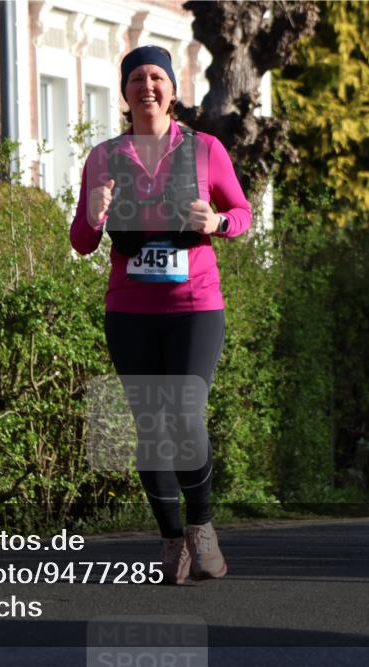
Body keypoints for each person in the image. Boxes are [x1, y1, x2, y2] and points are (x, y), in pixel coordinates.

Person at [70, 45, 251, 585]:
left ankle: (202, 528)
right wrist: (95, 216)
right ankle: (171, 541)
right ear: (124, 92)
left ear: (173, 89)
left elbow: (242, 215)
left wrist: (216, 223)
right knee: (150, 426)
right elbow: (81, 242)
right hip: (130, 308)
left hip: (195, 304)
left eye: (157, 78)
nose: (147, 86)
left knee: (184, 416)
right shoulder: (103, 157)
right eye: (137, 79)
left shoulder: (205, 150)